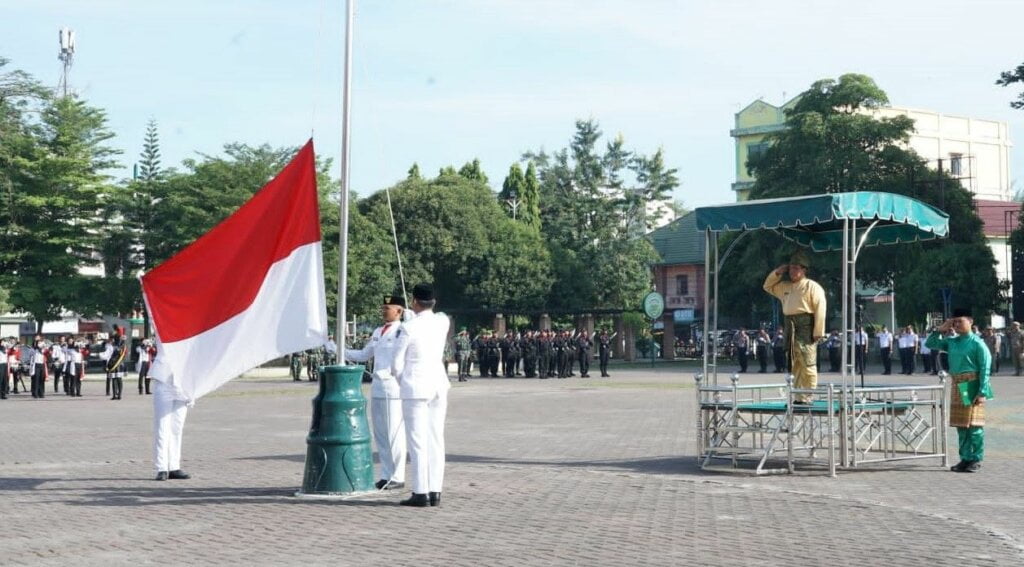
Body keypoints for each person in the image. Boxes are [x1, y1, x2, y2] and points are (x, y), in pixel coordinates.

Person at [393, 283, 450, 507]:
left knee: (417, 442)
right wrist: (414, 311)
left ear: (414, 301)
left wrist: (403, 381)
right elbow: (438, 315)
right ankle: (435, 490)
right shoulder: (442, 322)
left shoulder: (408, 328)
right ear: (433, 302)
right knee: (436, 439)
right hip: (438, 384)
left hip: (415, 386)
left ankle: (420, 492)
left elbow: (396, 365)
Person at [345, 294, 408, 490]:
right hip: (378, 386)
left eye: (388, 308)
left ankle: (397, 476)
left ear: (399, 311)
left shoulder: (403, 331)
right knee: (380, 434)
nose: (384, 311)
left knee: (394, 434)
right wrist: (338, 349)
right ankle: (386, 474)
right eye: (383, 307)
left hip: (394, 387)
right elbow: (364, 355)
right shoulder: (378, 331)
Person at [925, 309, 992, 473]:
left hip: (973, 384)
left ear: (970, 321)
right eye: (954, 322)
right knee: (961, 425)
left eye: (960, 321)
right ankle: (965, 458)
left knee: (975, 426)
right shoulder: (952, 342)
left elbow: (985, 368)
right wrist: (942, 328)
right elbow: (930, 343)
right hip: (957, 384)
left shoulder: (977, 343)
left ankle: (976, 459)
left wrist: (982, 391)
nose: (956, 324)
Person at [763, 250, 826, 404]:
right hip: (789, 324)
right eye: (791, 268)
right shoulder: (784, 286)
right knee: (794, 363)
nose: (793, 271)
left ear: (804, 270)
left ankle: (808, 394)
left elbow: (820, 308)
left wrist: (818, 331)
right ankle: (799, 396)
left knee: (808, 362)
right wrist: (778, 272)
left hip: (806, 325)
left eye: (796, 268)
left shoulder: (812, 286)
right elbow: (767, 286)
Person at [149, 346, 191, 481]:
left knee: (176, 427)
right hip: (164, 378)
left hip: (184, 380)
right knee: (162, 425)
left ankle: (174, 466)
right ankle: (162, 467)